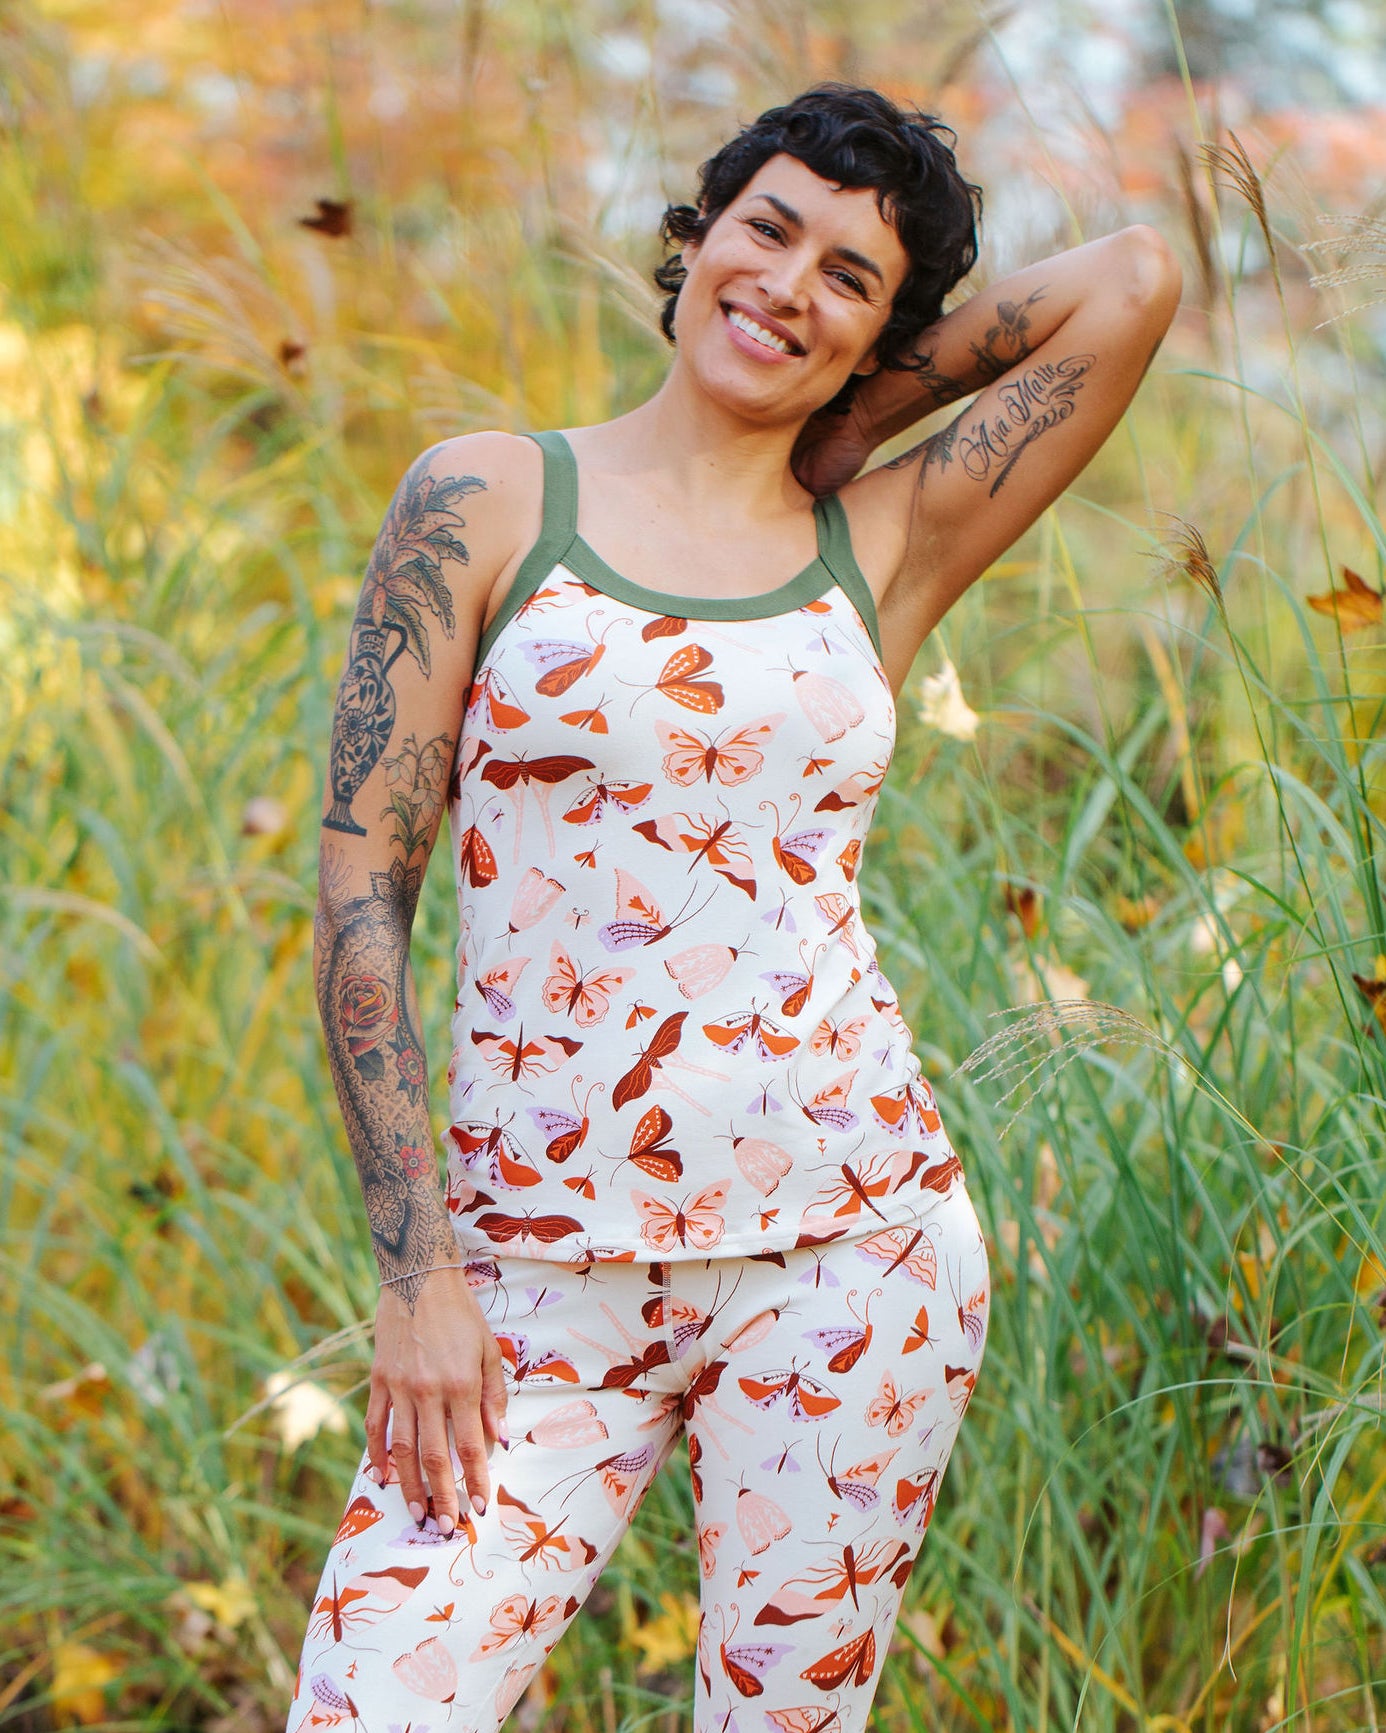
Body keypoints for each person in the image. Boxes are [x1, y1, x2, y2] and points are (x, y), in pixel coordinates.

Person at [293, 81, 1180, 1733]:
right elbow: (361, 894)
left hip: (850, 1256)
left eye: (849, 278)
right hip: (528, 1278)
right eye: (766, 232)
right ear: (698, 235)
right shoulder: (487, 497)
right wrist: (414, 1278)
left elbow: (1127, 280)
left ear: (882, 332)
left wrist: (847, 407)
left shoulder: (878, 541)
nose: (785, 284)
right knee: (376, 1701)